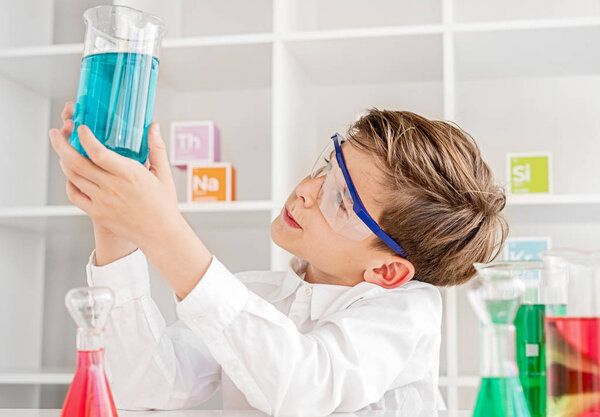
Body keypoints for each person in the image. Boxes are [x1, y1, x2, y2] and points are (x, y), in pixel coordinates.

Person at [48, 104, 507, 416]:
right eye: (329, 166)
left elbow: (301, 383)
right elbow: (147, 386)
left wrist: (164, 231)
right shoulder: (256, 295)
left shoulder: (406, 313)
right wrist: (117, 228)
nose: (306, 191)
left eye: (342, 202)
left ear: (387, 271)